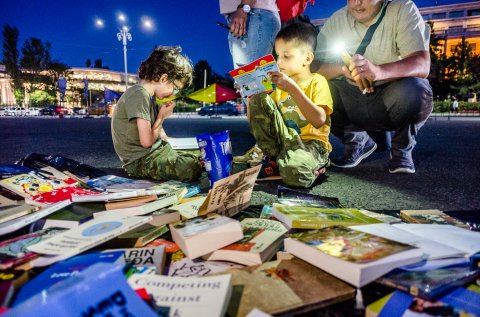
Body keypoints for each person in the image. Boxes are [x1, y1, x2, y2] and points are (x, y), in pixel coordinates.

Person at [315, 0, 433, 174]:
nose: (357, 3)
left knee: (416, 89)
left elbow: (422, 64)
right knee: (316, 86)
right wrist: (342, 69)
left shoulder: (402, 8)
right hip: (353, 98)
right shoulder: (338, 19)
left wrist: (378, 71)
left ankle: (401, 149)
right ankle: (358, 141)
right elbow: (312, 64)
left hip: (392, 96)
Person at [248, 22, 333, 188]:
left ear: (307, 58)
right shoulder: (277, 87)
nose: (278, 62)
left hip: (311, 144)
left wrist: (292, 89)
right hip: (283, 141)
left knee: (296, 173)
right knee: (258, 97)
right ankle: (273, 159)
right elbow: (257, 121)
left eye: (286, 56)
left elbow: (319, 120)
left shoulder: (317, 81)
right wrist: (249, 95)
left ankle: (316, 167)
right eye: (277, 55)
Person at [111, 47, 202, 182]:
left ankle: (199, 160)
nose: (173, 94)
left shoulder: (148, 97)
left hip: (155, 152)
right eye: (175, 88)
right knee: (189, 168)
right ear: (164, 78)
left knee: (202, 152)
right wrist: (161, 117)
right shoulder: (138, 95)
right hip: (141, 161)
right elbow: (147, 142)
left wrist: (176, 143)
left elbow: (162, 136)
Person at [220, 0, 281, 166]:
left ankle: (268, 150)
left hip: (254, 14)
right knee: (250, 89)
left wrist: (244, 7)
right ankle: (262, 146)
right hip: (252, 15)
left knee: (255, 89)